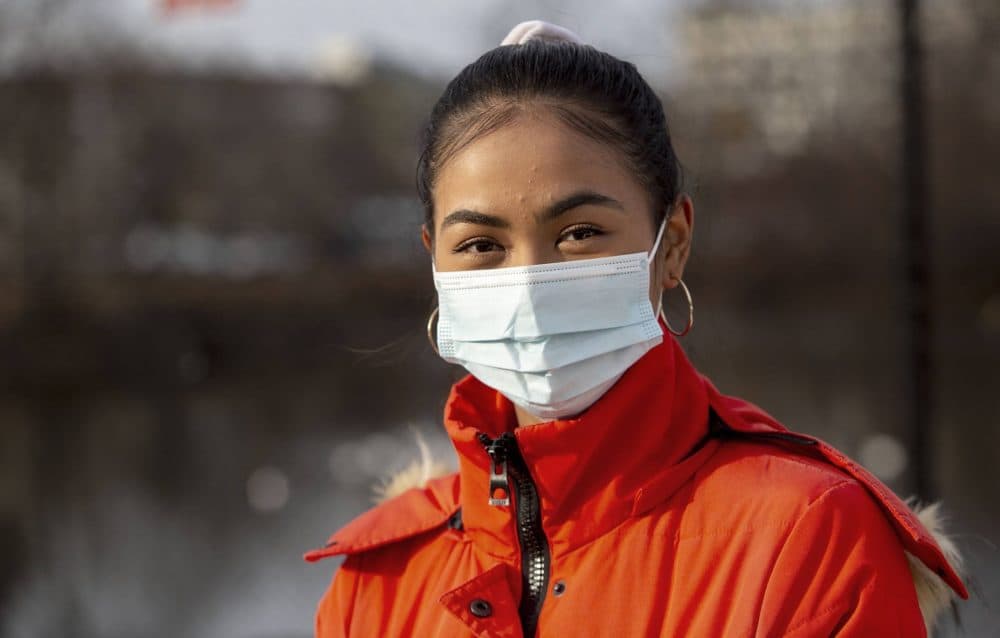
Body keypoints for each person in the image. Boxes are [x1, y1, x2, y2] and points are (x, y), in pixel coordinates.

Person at [305, 20, 967, 637]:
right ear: (433, 260)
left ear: (671, 242)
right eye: (481, 244)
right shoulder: (378, 585)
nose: (531, 282)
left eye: (579, 233)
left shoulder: (806, 539)